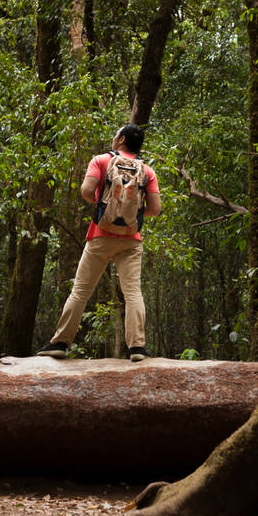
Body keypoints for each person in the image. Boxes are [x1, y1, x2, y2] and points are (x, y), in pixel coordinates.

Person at [37, 124, 162, 361]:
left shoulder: (101, 161)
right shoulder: (147, 170)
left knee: (81, 291)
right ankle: (137, 348)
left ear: (122, 139)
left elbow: (86, 191)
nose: (114, 138)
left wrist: (104, 208)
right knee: (133, 292)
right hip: (131, 240)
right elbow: (155, 209)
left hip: (100, 235)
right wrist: (131, 216)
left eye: (116, 135)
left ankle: (61, 343)